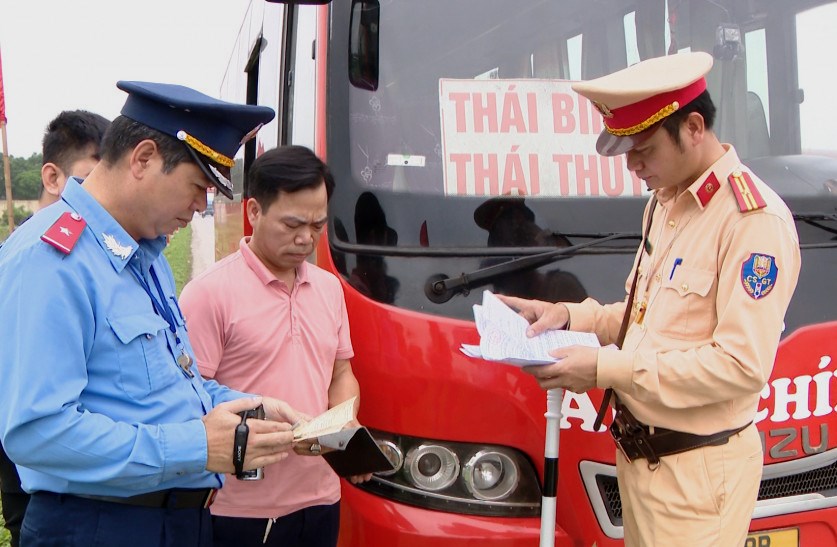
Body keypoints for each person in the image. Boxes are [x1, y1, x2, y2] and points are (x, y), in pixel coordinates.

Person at [499, 52, 800, 546]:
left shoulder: (751, 221)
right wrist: (570, 316)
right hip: (645, 464)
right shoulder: (666, 203)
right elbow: (650, 321)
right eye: (626, 150)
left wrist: (604, 368)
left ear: (694, 127)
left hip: (699, 478)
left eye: (644, 148)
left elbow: (740, 366)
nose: (633, 165)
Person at [0, 81, 302, 547]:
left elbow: (167, 386)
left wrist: (248, 407)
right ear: (142, 159)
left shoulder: (145, 253)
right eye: (198, 186)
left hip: (175, 522)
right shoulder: (52, 259)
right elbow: (38, 432)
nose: (201, 206)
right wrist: (197, 446)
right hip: (98, 526)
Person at [179, 145, 368, 547]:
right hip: (238, 509)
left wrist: (343, 425)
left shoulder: (329, 289)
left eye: (317, 225)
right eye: (292, 224)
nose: (305, 238)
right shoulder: (209, 294)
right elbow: (187, 398)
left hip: (320, 497)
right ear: (254, 211)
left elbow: (341, 373)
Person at [0, 108, 110, 547]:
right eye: (91, 179)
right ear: (52, 177)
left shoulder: (103, 254)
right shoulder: (26, 255)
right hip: (28, 459)